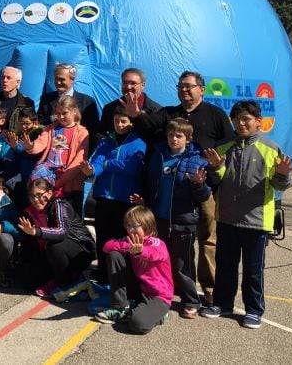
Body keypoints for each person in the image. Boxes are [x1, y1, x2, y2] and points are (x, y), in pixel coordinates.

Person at [125, 70, 233, 306]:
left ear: (201, 89)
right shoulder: (169, 114)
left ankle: (209, 287)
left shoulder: (215, 115)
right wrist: (136, 115)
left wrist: (216, 164)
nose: (184, 90)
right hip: (171, 192)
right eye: (181, 86)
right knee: (167, 241)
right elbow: (147, 127)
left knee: (207, 240)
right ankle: (168, 283)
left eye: (189, 86)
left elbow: (229, 143)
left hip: (203, 187)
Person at [200, 100, 292, 328]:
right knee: (225, 266)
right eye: (237, 119)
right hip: (227, 219)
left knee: (253, 270)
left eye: (246, 119)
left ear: (258, 122)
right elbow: (218, 179)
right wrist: (214, 167)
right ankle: (222, 304)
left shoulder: (270, 149)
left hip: (257, 222)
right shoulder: (224, 147)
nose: (241, 124)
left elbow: (281, 185)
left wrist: (283, 174)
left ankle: (254, 310)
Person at [131, 118, 209, 318]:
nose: (174, 139)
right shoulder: (157, 155)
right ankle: (160, 293)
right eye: (171, 135)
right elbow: (149, 183)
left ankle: (191, 300)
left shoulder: (197, 160)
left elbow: (203, 196)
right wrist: (144, 198)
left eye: (179, 136)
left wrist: (199, 185)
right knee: (158, 260)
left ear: (188, 139)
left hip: (183, 221)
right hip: (159, 220)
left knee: (183, 264)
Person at [82, 104, 145, 284]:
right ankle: (103, 273)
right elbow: (97, 162)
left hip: (124, 199)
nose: (120, 124)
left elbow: (131, 167)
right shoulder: (105, 141)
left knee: (121, 239)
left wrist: (108, 165)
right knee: (103, 237)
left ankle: (120, 275)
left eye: (124, 121)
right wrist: (92, 170)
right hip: (104, 197)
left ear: (131, 123)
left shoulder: (138, 143)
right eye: (117, 121)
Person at [95, 206, 173, 335]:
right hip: (138, 288)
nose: (130, 230)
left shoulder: (157, 243)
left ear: (147, 226)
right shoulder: (129, 241)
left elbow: (156, 253)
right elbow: (107, 246)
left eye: (134, 226)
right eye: (128, 226)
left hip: (158, 295)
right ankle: (120, 307)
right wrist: (129, 247)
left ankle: (159, 314)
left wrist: (140, 251)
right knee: (114, 255)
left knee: (138, 324)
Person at [17, 176, 95, 297]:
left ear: (49, 193)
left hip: (80, 249)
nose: (35, 200)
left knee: (55, 247)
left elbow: (61, 232)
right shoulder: (28, 212)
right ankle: (57, 277)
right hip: (49, 254)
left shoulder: (60, 205)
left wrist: (36, 232)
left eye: (39, 195)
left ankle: (66, 281)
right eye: (32, 196)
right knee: (29, 283)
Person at [25, 95, 90, 216]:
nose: (60, 117)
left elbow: (78, 161)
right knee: (48, 215)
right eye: (57, 113)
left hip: (70, 183)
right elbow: (40, 143)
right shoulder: (50, 129)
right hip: (49, 178)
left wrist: (58, 182)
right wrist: (30, 146)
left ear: (74, 111)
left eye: (64, 113)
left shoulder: (82, 132)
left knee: (69, 218)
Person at [97, 68, 161, 138]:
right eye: (125, 83)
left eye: (133, 83)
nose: (128, 87)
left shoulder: (156, 111)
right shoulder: (110, 108)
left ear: (143, 85)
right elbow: (102, 133)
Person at [37, 63, 99, 131]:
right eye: (56, 78)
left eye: (62, 79)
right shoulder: (46, 99)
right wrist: (53, 118)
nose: (58, 82)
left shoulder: (88, 102)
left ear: (72, 79)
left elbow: (94, 129)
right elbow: (39, 123)